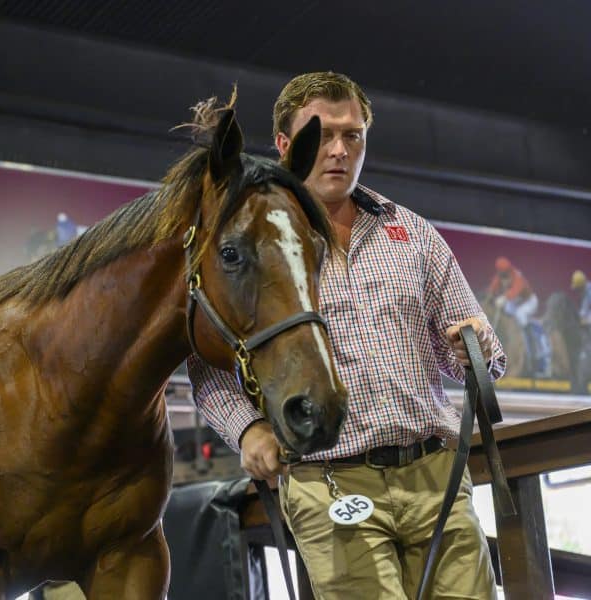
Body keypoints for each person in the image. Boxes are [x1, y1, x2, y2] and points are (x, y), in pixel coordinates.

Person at [187, 72, 506, 599]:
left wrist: (474, 346)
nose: (338, 151)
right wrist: (247, 430)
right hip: (328, 480)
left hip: (435, 475)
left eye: (352, 136)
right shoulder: (255, 238)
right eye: (323, 135)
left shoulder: (413, 234)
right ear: (289, 146)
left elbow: (484, 359)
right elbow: (207, 364)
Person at [487, 256, 538, 329]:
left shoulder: (517, 276)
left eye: (506, 272)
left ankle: (530, 338)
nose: (504, 276)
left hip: (529, 302)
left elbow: (516, 290)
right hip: (516, 302)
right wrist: (489, 296)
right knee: (507, 309)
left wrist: (504, 297)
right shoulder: (501, 275)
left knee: (520, 314)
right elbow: (493, 288)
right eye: (502, 273)